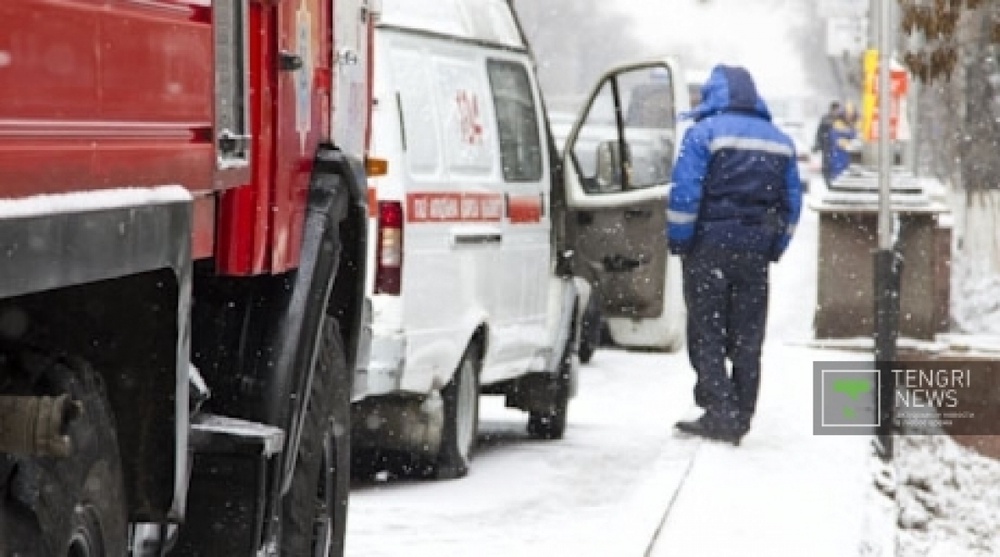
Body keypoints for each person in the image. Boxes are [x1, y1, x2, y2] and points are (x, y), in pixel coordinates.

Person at [667, 64, 803, 446]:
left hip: (709, 245)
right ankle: (742, 412)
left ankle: (719, 410)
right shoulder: (779, 140)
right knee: (747, 334)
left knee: (707, 329)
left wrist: (681, 239)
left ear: (715, 95)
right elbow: (792, 204)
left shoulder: (704, 133)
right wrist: (774, 246)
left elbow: (685, 194)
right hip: (755, 250)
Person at [825, 103, 858, 183]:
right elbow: (836, 140)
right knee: (838, 177)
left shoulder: (856, 124)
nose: (849, 117)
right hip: (839, 156)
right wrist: (849, 143)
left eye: (851, 114)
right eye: (847, 114)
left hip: (852, 159)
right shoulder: (837, 125)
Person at [812, 101, 841, 185]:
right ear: (832, 109)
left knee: (836, 165)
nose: (836, 112)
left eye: (838, 110)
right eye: (835, 110)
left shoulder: (841, 119)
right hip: (827, 146)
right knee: (827, 166)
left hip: (838, 147)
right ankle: (828, 182)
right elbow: (819, 133)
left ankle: (834, 180)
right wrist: (817, 144)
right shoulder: (826, 119)